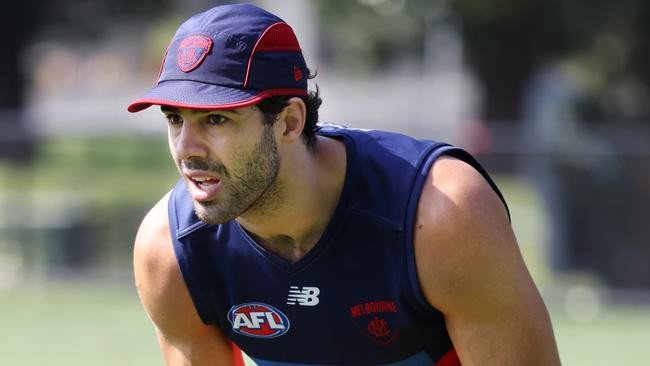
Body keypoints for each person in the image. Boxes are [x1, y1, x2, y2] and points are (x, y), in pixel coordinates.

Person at [129, 3, 560, 365]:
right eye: (174, 119)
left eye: (216, 119)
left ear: (289, 122)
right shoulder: (170, 251)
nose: (187, 148)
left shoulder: (440, 213)